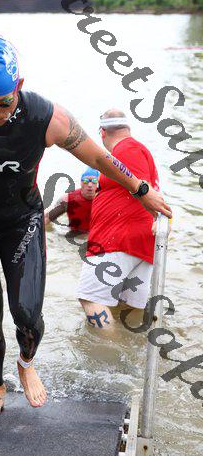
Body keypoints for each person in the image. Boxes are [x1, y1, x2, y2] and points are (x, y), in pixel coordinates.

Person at [0, 36, 171, 417]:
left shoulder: (48, 118)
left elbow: (100, 158)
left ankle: (26, 364)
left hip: (21, 221)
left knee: (27, 315)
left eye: (3, 102)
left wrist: (140, 190)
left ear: (19, 86)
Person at [77, 109, 162, 329]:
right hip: (139, 242)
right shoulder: (137, 150)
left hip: (117, 239)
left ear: (102, 133)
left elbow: (145, 189)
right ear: (127, 128)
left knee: (90, 299)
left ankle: (108, 350)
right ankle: (128, 347)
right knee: (125, 310)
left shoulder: (127, 149)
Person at [44, 166, 99, 234]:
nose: (90, 185)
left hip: (97, 236)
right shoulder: (68, 199)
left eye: (94, 181)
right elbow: (46, 218)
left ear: (98, 183)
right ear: (81, 183)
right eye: (85, 181)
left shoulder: (105, 199)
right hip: (76, 236)